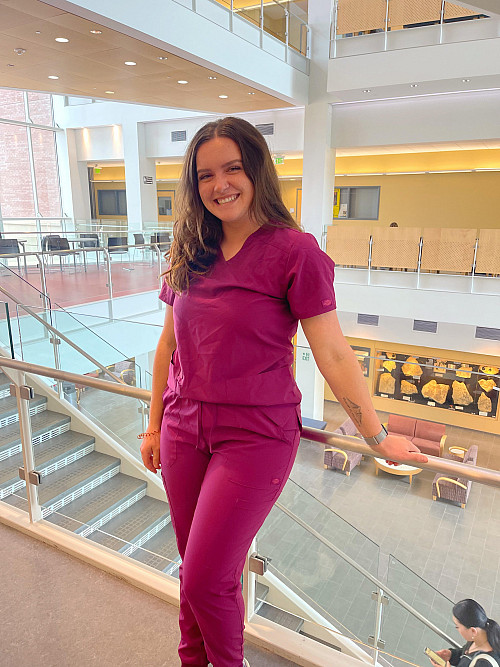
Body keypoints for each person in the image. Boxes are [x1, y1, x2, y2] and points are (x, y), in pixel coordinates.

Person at [140, 116, 427, 667]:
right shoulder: (189, 249)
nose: (219, 184)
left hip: (254, 435)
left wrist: (377, 436)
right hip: (182, 428)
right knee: (194, 571)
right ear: (193, 185)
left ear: (257, 172)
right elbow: (165, 347)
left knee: (206, 577)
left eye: (232, 169)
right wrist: (154, 424)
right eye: (205, 175)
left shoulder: (296, 252)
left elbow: (334, 353)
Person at [431, 599, 500, 667]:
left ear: (473, 631)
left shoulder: (485, 664)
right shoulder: (479, 637)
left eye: (457, 626)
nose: (457, 629)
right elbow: (466, 656)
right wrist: (451, 655)